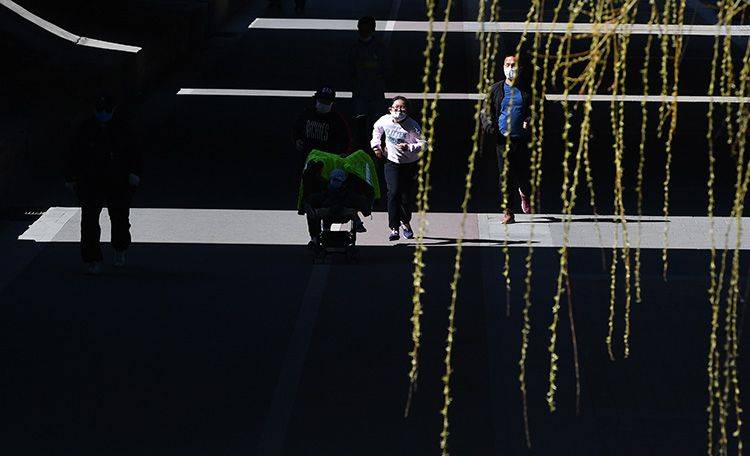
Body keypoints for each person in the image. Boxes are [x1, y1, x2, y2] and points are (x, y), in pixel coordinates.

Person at [64, 94, 142, 275]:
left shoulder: (122, 128)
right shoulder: (85, 129)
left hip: (118, 179)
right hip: (91, 180)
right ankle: (92, 258)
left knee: (120, 218)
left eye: (107, 110)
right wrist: (70, 177)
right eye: (100, 110)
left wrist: (134, 172)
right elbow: (72, 153)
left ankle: (120, 247)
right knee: (89, 220)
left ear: (113, 109)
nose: (104, 113)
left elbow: (134, 151)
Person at [481, 54, 533, 224]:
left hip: (524, 140)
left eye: (514, 65)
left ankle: (525, 193)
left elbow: (541, 110)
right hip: (503, 140)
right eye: (507, 65)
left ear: (521, 68)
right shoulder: (495, 89)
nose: (510, 69)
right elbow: (486, 113)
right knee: (505, 176)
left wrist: (531, 120)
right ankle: (509, 211)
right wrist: (490, 126)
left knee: (524, 175)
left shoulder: (530, 90)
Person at [371, 96, 426, 241]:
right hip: (392, 162)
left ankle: (406, 223)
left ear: (407, 111)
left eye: (402, 108)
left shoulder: (412, 126)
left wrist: (409, 147)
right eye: (396, 108)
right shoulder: (385, 120)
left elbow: (424, 144)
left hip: (409, 164)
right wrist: (376, 146)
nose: (399, 111)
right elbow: (377, 131)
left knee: (405, 197)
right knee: (393, 192)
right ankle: (394, 227)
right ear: (390, 109)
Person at [348, 16, 390, 148]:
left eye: (366, 30)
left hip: (375, 92)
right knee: (360, 120)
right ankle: (361, 146)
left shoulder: (380, 48)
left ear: (372, 30)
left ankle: (377, 146)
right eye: (361, 30)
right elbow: (349, 68)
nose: (363, 33)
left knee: (377, 122)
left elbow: (387, 68)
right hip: (360, 91)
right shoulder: (354, 48)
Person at [304, 168, 368, 248]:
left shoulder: (349, 193)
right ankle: (315, 238)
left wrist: (364, 210)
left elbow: (360, 201)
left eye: (337, 180)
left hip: (342, 214)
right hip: (329, 213)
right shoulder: (325, 192)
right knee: (316, 212)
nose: (334, 182)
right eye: (333, 179)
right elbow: (312, 199)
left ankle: (358, 224)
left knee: (351, 211)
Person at [292, 86, 353, 162]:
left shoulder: (338, 120)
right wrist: (297, 140)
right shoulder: (307, 114)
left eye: (327, 102)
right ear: (316, 100)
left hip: (328, 160)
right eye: (321, 101)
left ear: (332, 103)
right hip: (306, 157)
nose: (323, 104)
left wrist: (344, 153)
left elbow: (347, 139)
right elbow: (296, 129)